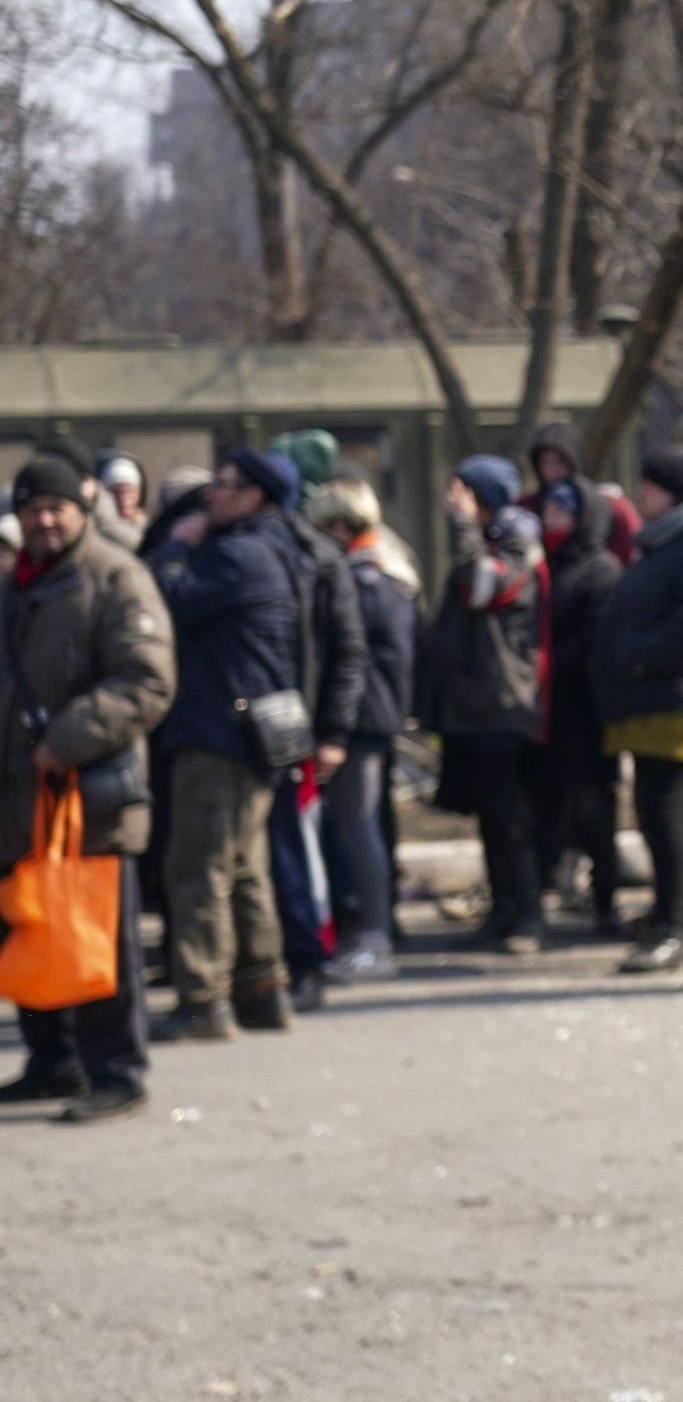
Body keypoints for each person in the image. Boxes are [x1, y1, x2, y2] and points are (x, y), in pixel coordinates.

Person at [0, 450, 175, 1122]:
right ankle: (53, 1060)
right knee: (32, 923)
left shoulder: (116, 578)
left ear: (82, 510)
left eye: (56, 508)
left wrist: (67, 738)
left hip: (88, 791)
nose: (44, 520)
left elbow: (148, 681)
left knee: (99, 935)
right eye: (32, 508)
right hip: (20, 793)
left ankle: (118, 1071)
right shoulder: (18, 582)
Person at [146, 448, 305, 1041]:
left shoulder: (236, 553)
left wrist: (177, 544)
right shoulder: (273, 549)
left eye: (226, 485)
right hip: (250, 730)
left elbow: (168, 597)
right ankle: (262, 990)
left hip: (219, 730)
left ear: (255, 496)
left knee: (199, 867)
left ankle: (203, 998)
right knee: (243, 868)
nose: (213, 494)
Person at [596, 448, 683, 974]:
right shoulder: (672, 535)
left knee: (671, 814)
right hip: (660, 699)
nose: (639, 495)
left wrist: (640, 655)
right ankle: (678, 917)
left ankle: (677, 928)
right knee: (664, 815)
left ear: (669, 489)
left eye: (648, 486)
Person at [421, 457, 551, 954]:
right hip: (473, 706)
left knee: (509, 817)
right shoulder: (486, 541)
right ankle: (503, 911)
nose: (452, 500)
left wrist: (461, 525)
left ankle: (528, 917)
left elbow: (481, 587)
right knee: (489, 818)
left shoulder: (516, 545)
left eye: (462, 492)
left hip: (503, 704)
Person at [264, 426, 372, 1013]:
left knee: (301, 853)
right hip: (269, 724)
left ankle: (311, 959)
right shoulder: (271, 548)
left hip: (300, 729)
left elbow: (347, 652)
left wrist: (333, 732)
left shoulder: (320, 557)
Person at [305, 480, 419, 982]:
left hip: (362, 719)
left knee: (360, 827)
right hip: (374, 714)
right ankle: (375, 929)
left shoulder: (366, 578)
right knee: (364, 826)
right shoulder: (387, 568)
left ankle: (374, 936)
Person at [531, 476, 626, 935]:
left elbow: (599, 642)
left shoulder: (601, 570)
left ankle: (605, 896)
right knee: (548, 807)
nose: (550, 520)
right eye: (547, 511)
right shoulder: (542, 564)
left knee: (594, 809)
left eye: (560, 512)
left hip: (586, 712)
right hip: (547, 712)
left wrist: (549, 661)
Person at [524, 422, 643, 567]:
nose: (552, 470)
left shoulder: (611, 506)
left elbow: (634, 553)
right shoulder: (527, 507)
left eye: (560, 462)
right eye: (546, 462)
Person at [93, 449, 146, 550]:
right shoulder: (95, 535)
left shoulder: (151, 530)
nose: (124, 500)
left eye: (130, 492)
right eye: (116, 492)